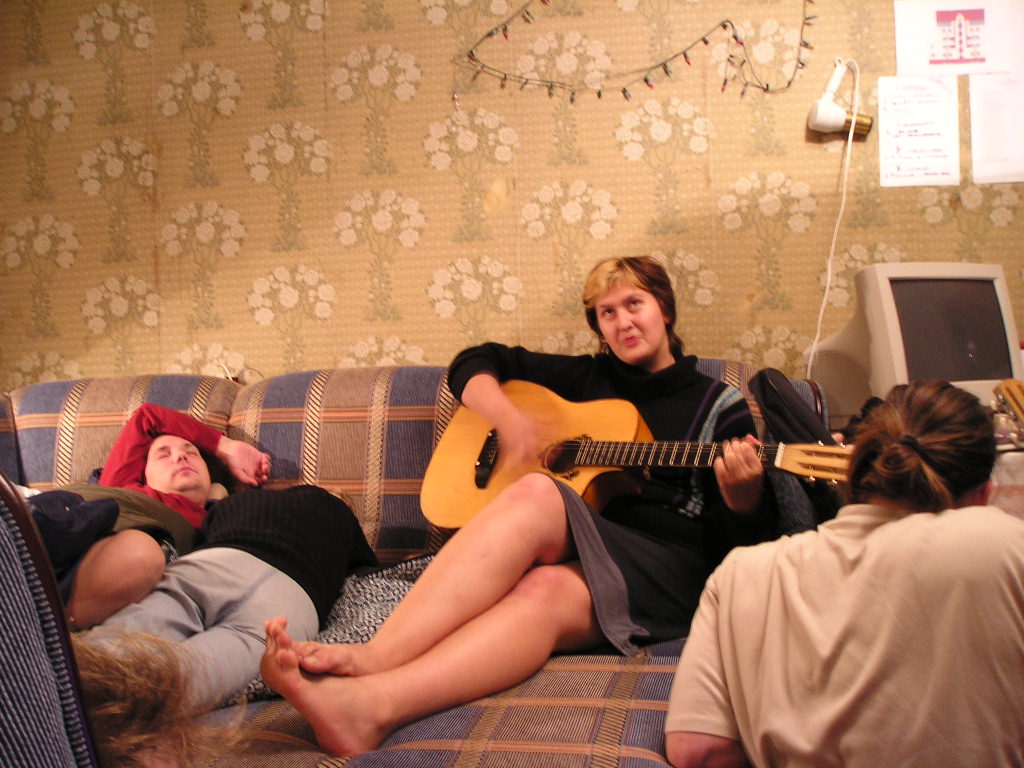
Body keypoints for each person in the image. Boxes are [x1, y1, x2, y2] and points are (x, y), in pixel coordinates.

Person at [259, 255, 780, 757]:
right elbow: (475, 360)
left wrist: (744, 499)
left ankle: (375, 690)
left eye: (634, 304)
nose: (623, 322)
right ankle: (369, 693)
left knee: (544, 574)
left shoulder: (719, 404)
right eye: (607, 312)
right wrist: (510, 421)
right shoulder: (587, 378)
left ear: (664, 308)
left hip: (671, 566)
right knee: (539, 514)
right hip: (592, 542)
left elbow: (749, 549)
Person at [664, 380, 1024, 768]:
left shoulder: (738, 572)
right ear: (983, 494)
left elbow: (695, 749)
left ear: (858, 466)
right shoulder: (1005, 543)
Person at [72, 403, 379, 709]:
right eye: (163, 455)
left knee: (187, 678)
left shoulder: (216, 515)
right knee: (102, 656)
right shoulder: (125, 490)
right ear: (143, 474)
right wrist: (227, 448)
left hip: (265, 595)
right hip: (83, 564)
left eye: (192, 453)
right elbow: (147, 418)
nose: (180, 456)